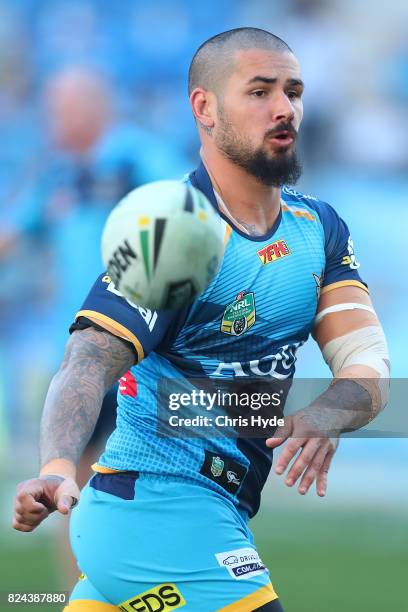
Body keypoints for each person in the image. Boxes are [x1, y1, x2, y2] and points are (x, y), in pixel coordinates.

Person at [13, 28, 389, 611]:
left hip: (204, 511)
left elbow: (367, 366)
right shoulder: (175, 234)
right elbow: (88, 359)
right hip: (160, 514)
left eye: (293, 90)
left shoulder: (318, 228)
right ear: (204, 108)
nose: (284, 107)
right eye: (260, 91)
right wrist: (58, 465)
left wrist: (325, 413)